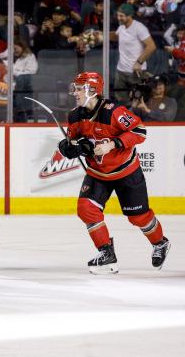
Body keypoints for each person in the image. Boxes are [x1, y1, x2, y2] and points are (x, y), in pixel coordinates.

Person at [58, 71, 170, 274]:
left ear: (93, 90)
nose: (74, 92)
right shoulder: (74, 116)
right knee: (85, 208)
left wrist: (114, 143)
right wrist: (69, 148)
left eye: (79, 88)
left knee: (139, 217)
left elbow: (140, 131)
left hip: (126, 172)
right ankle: (106, 252)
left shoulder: (113, 112)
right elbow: (73, 141)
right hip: (97, 173)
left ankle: (160, 243)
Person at [110, 4, 156, 102]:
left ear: (129, 15)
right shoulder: (121, 26)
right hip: (121, 71)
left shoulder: (139, 28)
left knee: (137, 100)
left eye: (121, 16)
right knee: (120, 100)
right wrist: (102, 35)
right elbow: (116, 36)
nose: (119, 18)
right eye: (118, 15)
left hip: (135, 72)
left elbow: (151, 46)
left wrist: (139, 62)